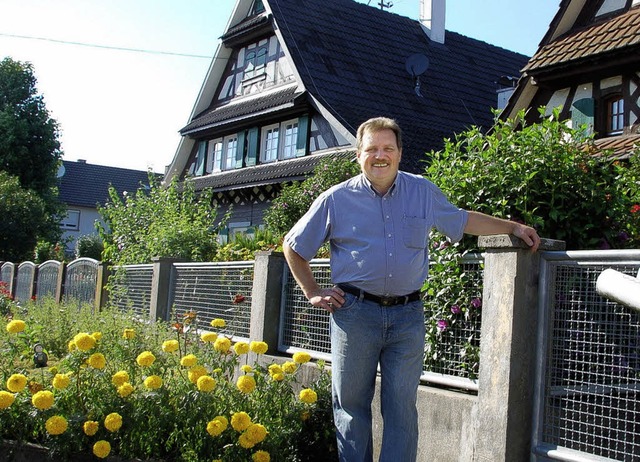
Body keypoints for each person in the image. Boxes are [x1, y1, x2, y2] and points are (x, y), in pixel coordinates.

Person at [283, 117, 540, 462]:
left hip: (407, 316)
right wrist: (312, 291)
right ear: (358, 154)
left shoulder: (422, 191)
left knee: (402, 408)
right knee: (351, 406)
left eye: (387, 148)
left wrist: (514, 227)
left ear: (400, 153)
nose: (380, 155)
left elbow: (462, 220)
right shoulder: (336, 199)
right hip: (355, 314)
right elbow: (294, 246)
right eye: (371, 149)